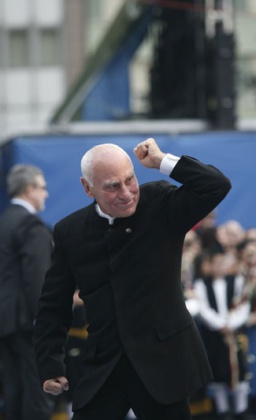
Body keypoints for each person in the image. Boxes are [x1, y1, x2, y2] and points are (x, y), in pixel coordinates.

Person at [34, 139, 232, 419]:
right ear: (87, 188)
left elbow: (216, 185)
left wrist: (162, 161)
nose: (126, 193)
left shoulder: (160, 203)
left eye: (130, 180)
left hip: (163, 360)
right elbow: (52, 304)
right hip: (105, 365)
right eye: (113, 186)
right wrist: (50, 364)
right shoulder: (70, 232)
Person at [0, 164, 54, 420]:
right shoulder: (30, 224)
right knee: (38, 393)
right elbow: (38, 278)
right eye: (43, 188)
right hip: (28, 320)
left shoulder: (1, 223)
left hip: (6, 318)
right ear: (29, 190)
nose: (46, 194)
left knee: (14, 392)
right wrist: (46, 320)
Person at [193, 252, 251, 420]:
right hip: (214, 334)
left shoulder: (237, 281)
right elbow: (203, 309)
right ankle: (223, 409)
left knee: (239, 368)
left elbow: (243, 305)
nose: (219, 266)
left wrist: (232, 324)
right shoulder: (201, 284)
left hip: (234, 333)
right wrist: (220, 325)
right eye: (215, 263)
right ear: (210, 265)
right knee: (218, 369)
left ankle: (241, 408)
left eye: (222, 262)